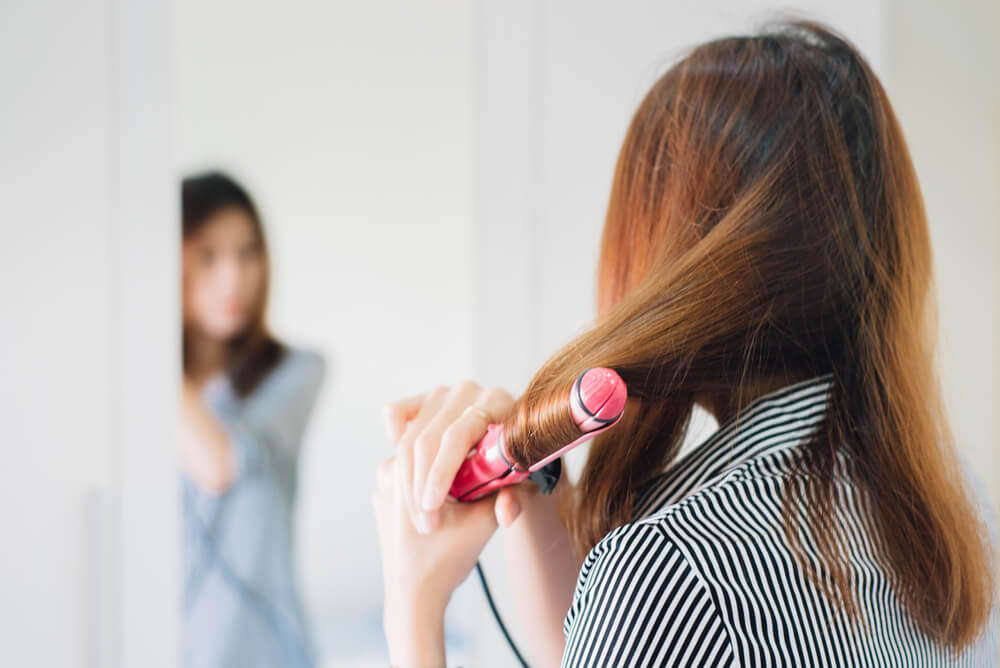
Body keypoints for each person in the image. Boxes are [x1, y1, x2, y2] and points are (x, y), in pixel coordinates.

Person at [372, 20, 998, 667]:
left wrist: (411, 605)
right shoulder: (949, 518)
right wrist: (534, 491)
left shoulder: (671, 570)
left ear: (675, 256)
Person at [180, 171, 325, 668]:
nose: (234, 278)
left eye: (248, 253)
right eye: (208, 257)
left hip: (270, 652)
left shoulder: (296, 373)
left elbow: (221, 464)